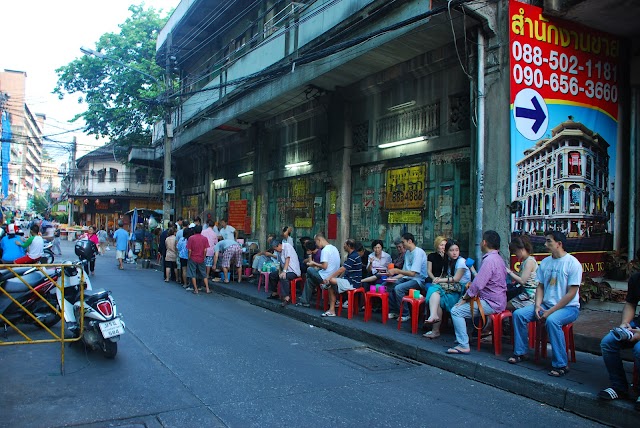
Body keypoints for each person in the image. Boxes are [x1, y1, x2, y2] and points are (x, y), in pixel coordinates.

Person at [509, 230, 582, 377]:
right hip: (546, 305)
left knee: (553, 321)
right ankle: (521, 352)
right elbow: (540, 286)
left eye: (549, 241)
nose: (545, 244)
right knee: (518, 314)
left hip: (568, 308)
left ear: (559, 244)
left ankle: (561, 364)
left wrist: (550, 311)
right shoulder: (546, 263)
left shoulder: (573, 264)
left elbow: (571, 293)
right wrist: (537, 305)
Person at [448, 230, 507, 355]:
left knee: (456, 310)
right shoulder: (498, 258)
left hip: (491, 302)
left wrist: (464, 298)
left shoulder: (489, 260)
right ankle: (464, 338)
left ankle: (463, 344)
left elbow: (478, 285)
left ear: (484, 243)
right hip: (496, 299)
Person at [597, 272, 640, 409]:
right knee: (608, 342)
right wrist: (624, 324)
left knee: (639, 349)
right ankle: (619, 387)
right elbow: (630, 303)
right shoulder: (636, 278)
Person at [423, 239, 470, 339]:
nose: (454, 253)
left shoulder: (461, 262)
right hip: (451, 289)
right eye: (451, 250)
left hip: (462, 292)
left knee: (434, 288)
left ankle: (433, 319)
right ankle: (435, 324)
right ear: (447, 252)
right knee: (437, 296)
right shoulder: (449, 262)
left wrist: (439, 280)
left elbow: (456, 279)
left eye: (456, 250)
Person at [387, 233, 428, 322]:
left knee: (398, 288)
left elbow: (413, 273)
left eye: (403, 242)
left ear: (409, 241)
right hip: (407, 278)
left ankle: (405, 314)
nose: (402, 244)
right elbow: (405, 272)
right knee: (390, 284)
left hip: (418, 280)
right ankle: (395, 310)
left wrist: (397, 271)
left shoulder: (418, 252)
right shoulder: (408, 253)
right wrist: (394, 277)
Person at [319, 239, 362, 317]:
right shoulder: (351, 255)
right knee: (331, 285)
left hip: (352, 283)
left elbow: (342, 269)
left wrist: (329, 278)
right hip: (348, 280)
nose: (343, 246)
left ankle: (327, 286)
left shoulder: (354, 256)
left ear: (349, 246)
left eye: (345, 244)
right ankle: (332, 310)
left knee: (331, 281)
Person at [296, 232, 341, 308]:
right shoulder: (334, 248)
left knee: (310, 270)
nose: (316, 245)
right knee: (309, 280)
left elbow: (324, 266)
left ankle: (324, 284)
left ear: (319, 240)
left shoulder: (325, 250)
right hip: (333, 275)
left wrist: (314, 263)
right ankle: (304, 302)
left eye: (316, 242)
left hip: (326, 277)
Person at [505, 235, 538, 311]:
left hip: (529, 297)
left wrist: (509, 272)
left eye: (515, 251)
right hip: (525, 294)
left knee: (502, 305)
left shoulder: (529, 262)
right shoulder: (525, 261)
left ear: (521, 249)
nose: (515, 254)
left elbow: (522, 281)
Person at [266, 239, 301, 307]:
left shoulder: (287, 246)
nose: (275, 250)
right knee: (272, 275)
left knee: (284, 277)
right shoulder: (279, 251)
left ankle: (286, 297)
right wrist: (280, 272)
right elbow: (280, 263)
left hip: (293, 271)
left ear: (279, 245)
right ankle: (275, 293)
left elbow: (287, 259)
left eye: (276, 248)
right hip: (285, 270)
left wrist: (284, 271)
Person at [186, 225, 211, 294]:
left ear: (194, 231)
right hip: (201, 258)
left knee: (192, 273)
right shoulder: (204, 238)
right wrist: (204, 256)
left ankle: (196, 289)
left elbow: (189, 250)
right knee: (204, 273)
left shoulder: (191, 238)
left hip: (193, 258)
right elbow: (205, 249)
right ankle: (207, 288)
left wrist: (189, 257)